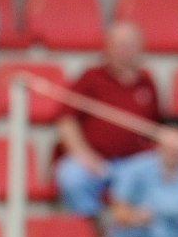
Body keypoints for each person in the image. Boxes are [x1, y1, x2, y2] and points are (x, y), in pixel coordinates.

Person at [54, 20, 161, 217]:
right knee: (70, 176)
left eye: (130, 45)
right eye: (120, 45)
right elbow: (66, 120)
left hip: (133, 163)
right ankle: (93, 229)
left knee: (168, 176)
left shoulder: (147, 82)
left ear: (141, 48)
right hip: (96, 162)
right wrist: (83, 154)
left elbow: (157, 129)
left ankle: (131, 233)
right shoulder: (91, 78)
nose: (125, 51)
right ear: (107, 48)